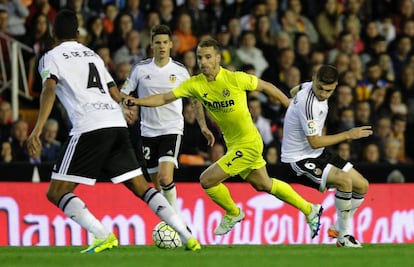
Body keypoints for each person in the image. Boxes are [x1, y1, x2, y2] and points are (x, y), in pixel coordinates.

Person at [26, 9, 201, 253]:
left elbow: (48, 89)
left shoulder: (50, 56)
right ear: (78, 34)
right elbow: (114, 91)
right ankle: (187, 236)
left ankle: (101, 234)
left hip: (89, 126)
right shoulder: (93, 55)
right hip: (116, 123)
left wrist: (37, 130)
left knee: (55, 192)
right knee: (142, 187)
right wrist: (125, 106)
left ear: (53, 33)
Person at [125, 38, 323, 238]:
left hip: (249, 143)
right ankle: (310, 209)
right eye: (200, 57)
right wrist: (137, 101)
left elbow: (264, 86)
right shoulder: (195, 84)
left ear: (218, 58)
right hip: (234, 144)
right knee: (264, 184)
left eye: (208, 57)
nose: (203, 62)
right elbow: (164, 98)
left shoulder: (235, 79)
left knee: (207, 180)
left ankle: (233, 212)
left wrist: (287, 103)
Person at [120, 24, 214, 225]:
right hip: (148, 131)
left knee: (165, 177)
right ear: (151, 45)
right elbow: (124, 93)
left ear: (171, 45)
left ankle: (176, 225)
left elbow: (195, 100)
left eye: (165, 42)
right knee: (157, 187)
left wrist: (203, 126)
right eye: (157, 43)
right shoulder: (140, 69)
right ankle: (170, 223)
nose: (161, 46)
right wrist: (124, 107)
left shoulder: (180, 71)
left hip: (171, 129)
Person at [281, 65, 372, 248]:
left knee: (362, 185)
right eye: (320, 88)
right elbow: (314, 141)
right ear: (315, 79)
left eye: (328, 90)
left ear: (336, 86)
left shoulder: (307, 86)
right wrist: (348, 134)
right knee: (345, 181)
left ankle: (338, 227)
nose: (323, 93)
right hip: (298, 158)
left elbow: (293, 90)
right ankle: (344, 237)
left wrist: (292, 106)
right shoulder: (309, 104)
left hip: (317, 152)